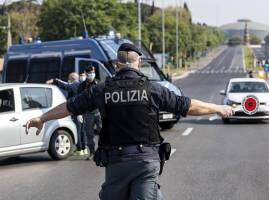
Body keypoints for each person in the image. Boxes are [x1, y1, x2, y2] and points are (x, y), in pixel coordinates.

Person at [26, 43, 234, 200]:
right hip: (146, 161)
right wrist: (219, 108)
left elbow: (70, 106)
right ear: (139, 63)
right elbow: (187, 105)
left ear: (117, 65)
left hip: (116, 163)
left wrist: (42, 118)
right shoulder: (152, 88)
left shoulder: (102, 89)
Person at [46, 72, 88, 156]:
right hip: (82, 111)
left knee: (78, 131)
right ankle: (84, 149)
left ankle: (80, 149)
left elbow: (65, 86)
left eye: (69, 79)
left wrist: (55, 81)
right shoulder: (81, 85)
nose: (68, 81)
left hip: (77, 112)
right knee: (82, 131)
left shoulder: (75, 85)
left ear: (72, 78)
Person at [78, 66, 101, 160]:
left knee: (102, 132)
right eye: (90, 73)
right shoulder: (82, 86)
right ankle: (92, 152)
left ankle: (103, 151)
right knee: (89, 134)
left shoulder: (98, 83)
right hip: (88, 113)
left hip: (99, 112)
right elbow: (78, 100)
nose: (92, 74)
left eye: (93, 72)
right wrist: (79, 113)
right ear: (86, 74)